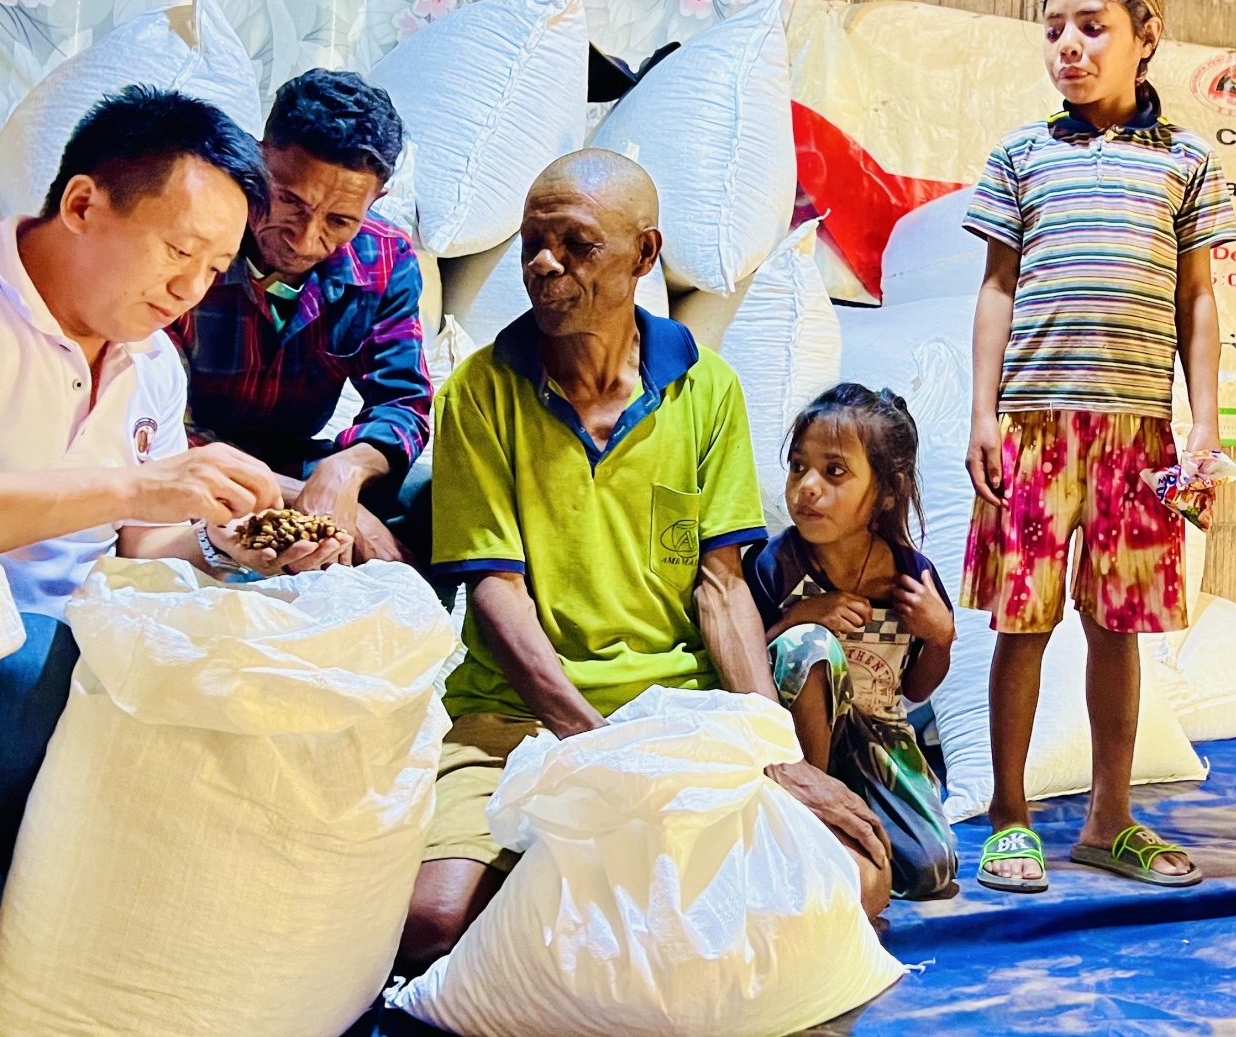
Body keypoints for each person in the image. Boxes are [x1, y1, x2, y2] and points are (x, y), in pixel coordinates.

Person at [0, 86, 349, 1033]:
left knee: (243, 679)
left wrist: (227, 542)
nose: (191, 289)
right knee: (39, 659)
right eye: (177, 249)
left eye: (214, 267)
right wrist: (130, 487)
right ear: (84, 204)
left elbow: (142, 546)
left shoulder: (149, 363)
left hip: (59, 658)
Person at [402, 149, 892, 971]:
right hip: (517, 718)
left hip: (679, 710)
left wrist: (775, 753)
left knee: (855, 879)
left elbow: (722, 588)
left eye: (576, 244)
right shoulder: (479, 393)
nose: (542, 264)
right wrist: (600, 753)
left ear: (646, 255)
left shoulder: (706, 391)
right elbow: (496, 591)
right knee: (437, 922)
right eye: (531, 241)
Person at [961, 0, 1236, 893]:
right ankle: (1009, 816)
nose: (1068, 47)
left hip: (1138, 436)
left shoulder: (1188, 163)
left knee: (1119, 626)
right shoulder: (1020, 158)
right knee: (1021, 623)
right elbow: (997, 289)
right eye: (1053, 29)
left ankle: (1108, 820)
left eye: (1093, 26)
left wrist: (1205, 426)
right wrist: (981, 415)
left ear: (1145, 36)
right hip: (1033, 430)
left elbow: (1197, 300)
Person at [166, 69, 433, 569]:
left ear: (374, 202)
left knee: (429, 499)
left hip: (298, 457)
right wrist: (296, 500)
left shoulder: (387, 260)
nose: (305, 240)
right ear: (257, 157)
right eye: (288, 200)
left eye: (339, 221)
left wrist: (345, 472)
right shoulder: (191, 241)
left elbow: (403, 401)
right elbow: (151, 421)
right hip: (182, 466)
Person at [745, 383, 959, 901]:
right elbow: (745, 663)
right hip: (794, 748)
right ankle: (805, 814)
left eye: (834, 472)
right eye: (798, 467)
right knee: (810, 645)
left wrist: (941, 636)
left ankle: (852, 832)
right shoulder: (778, 564)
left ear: (886, 491)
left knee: (932, 869)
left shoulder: (911, 576)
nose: (807, 487)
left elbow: (915, 689)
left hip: (877, 739)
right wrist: (798, 617)